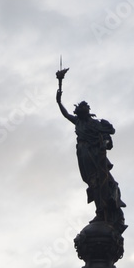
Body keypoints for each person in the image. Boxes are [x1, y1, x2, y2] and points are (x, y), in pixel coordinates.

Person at [56, 68, 126, 234]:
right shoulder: (79, 122)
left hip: (95, 155)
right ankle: (99, 210)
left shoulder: (95, 124)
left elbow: (110, 136)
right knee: (93, 182)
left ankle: (103, 210)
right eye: (82, 107)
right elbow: (65, 114)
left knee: (100, 181)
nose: (83, 109)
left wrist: (105, 144)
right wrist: (59, 99)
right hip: (83, 153)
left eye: (85, 107)